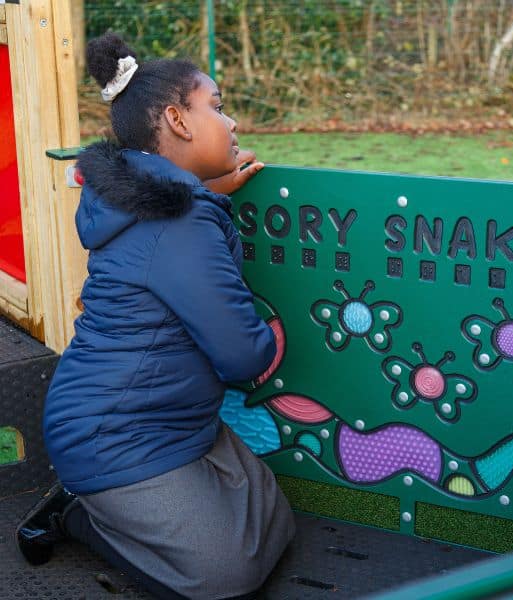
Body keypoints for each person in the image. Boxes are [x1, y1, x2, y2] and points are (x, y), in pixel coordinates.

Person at [14, 33, 295, 599]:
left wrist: (208, 189)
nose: (232, 122)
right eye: (215, 106)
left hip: (166, 418)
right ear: (177, 119)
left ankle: (142, 512)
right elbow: (243, 354)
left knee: (278, 522)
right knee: (226, 579)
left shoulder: (146, 194)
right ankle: (78, 514)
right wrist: (270, 336)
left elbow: (166, 245)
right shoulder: (180, 219)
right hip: (113, 433)